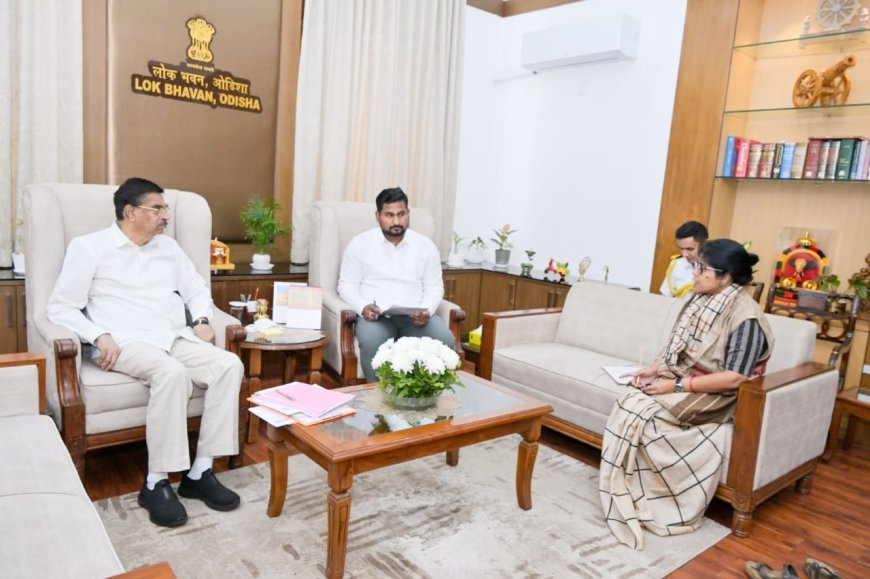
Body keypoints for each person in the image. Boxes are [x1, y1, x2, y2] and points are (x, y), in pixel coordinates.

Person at [47, 177, 244, 528]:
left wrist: (201, 320)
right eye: (157, 209)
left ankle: (200, 472)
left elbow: (196, 289)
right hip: (123, 342)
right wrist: (99, 334)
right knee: (171, 373)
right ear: (130, 212)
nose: (165, 216)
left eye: (165, 209)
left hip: (173, 336)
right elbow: (61, 307)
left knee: (229, 364)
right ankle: (156, 481)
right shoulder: (89, 248)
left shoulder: (168, 248)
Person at [600, 239, 774, 549]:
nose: (694, 273)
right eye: (695, 266)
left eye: (701, 268)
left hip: (720, 394)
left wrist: (677, 386)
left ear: (725, 277)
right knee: (630, 398)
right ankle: (629, 486)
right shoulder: (700, 300)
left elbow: (735, 378)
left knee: (645, 414)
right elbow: (678, 347)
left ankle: (660, 502)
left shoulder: (746, 318)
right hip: (687, 379)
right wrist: (655, 370)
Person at [338, 187, 455, 382]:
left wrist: (427, 311)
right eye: (389, 215)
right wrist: (362, 306)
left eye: (401, 214)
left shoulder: (426, 246)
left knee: (445, 340)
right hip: (377, 318)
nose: (396, 222)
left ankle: (428, 394)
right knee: (372, 341)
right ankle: (378, 396)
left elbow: (434, 287)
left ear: (408, 213)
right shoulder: (359, 244)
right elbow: (346, 285)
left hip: (416, 318)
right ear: (377, 216)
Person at [659, 220, 708, 298]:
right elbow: (665, 296)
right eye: (681, 248)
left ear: (705, 244)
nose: (684, 254)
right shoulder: (677, 264)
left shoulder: (713, 268)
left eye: (690, 249)